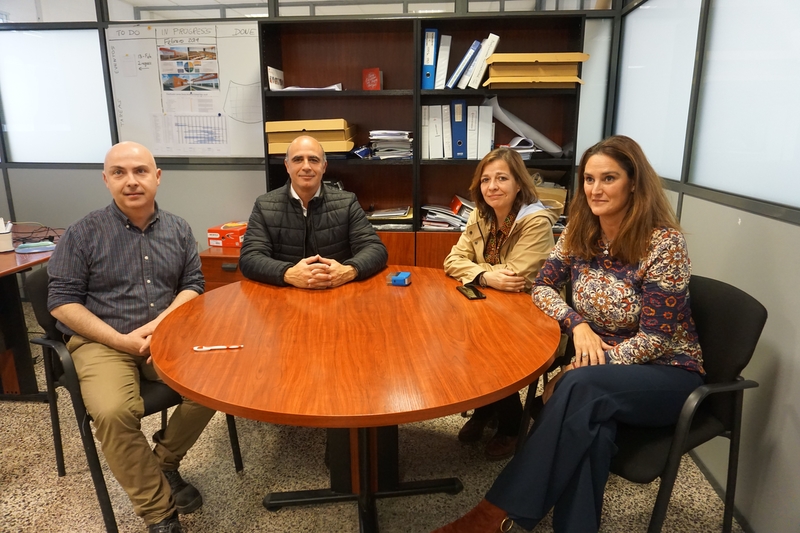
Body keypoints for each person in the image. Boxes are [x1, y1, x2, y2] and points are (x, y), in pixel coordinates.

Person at [432, 135, 705, 533]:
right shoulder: (581, 231)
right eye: (590, 179)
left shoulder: (663, 243)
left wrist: (584, 365)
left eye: (608, 178)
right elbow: (542, 286)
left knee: (579, 388)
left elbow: (657, 339)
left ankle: (495, 514)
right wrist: (577, 325)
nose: (596, 189)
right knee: (592, 432)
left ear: (633, 183)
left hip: (667, 373)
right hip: (599, 374)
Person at [47, 142, 214, 533]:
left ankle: (164, 462)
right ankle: (159, 513)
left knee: (216, 384)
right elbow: (61, 302)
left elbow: (193, 284)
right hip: (101, 342)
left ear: (157, 177)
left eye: (140, 171)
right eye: (119, 173)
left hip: (165, 336)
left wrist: (161, 325)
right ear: (106, 181)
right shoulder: (83, 233)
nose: (131, 181)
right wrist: (122, 340)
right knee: (113, 412)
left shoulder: (177, 228)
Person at [444, 147, 562, 460]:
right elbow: (453, 260)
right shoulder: (479, 214)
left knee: (491, 347)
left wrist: (480, 274)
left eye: (501, 178)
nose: (492, 186)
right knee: (458, 334)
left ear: (518, 184)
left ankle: (510, 424)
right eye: (486, 180)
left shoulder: (535, 222)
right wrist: (484, 276)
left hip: (531, 310)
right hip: (487, 302)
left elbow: (516, 277)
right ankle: (486, 410)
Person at [239, 135, 388, 288]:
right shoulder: (265, 206)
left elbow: (375, 249)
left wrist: (348, 271)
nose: (306, 167)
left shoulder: (347, 203)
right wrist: (288, 273)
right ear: (287, 166)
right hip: (285, 297)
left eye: (313, 160)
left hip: (337, 294)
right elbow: (250, 258)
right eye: (298, 160)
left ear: (324, 166)